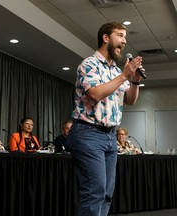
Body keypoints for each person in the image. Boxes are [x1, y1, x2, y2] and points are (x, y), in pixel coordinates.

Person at [66, 22, 143, 216]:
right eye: (120, 35)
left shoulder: (116, 71)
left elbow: (131, 100)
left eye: (125, 37)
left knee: (107, 194)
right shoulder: (88, 64)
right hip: (88, 134)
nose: (124, 41)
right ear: (106, 38)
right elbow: (94, 95)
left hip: (110, 137)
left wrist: (133, 81)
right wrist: (125, 75)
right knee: (94, 193)